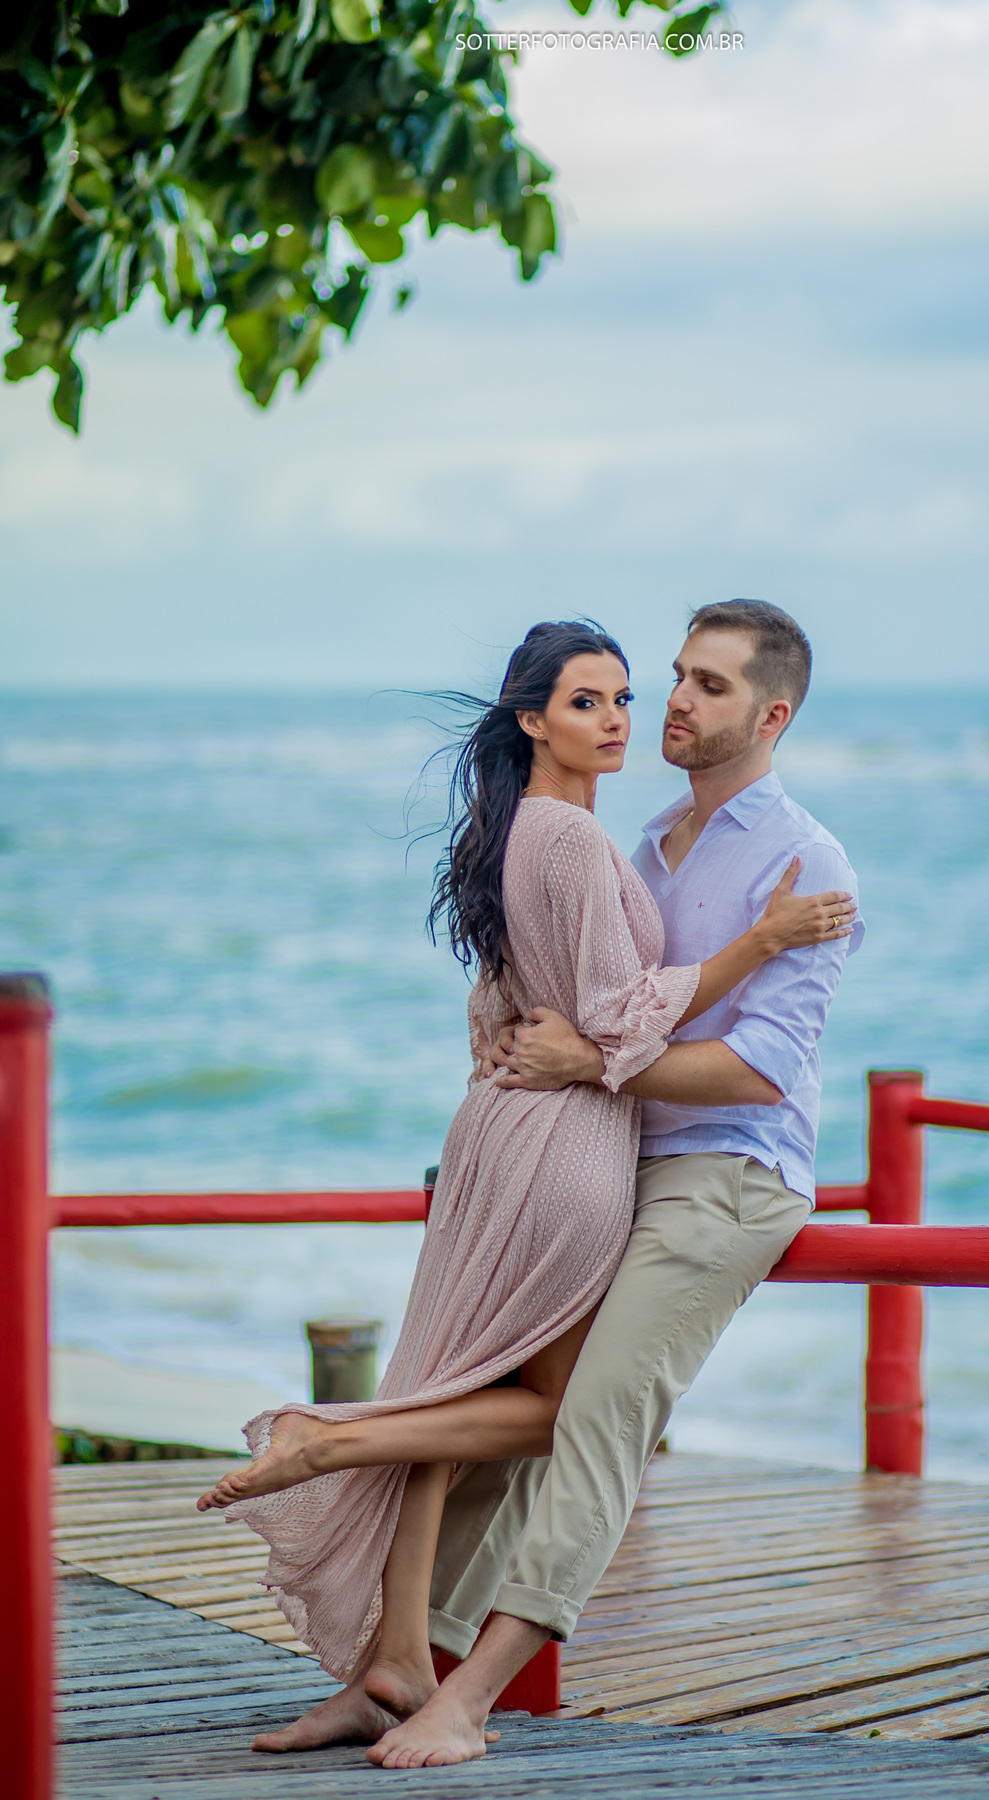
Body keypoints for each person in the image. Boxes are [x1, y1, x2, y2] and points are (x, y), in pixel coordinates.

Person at [194, 616, 853, 1754]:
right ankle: (405, 1648)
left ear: (772, 714)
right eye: (663, 682)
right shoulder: (632, 843)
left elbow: (751, 1071)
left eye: (698, 685)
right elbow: (572, 1007)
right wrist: (560, 1058)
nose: (666, 708)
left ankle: (438, 1672)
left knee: (562, 1414)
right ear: (534, 717)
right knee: (517, 1407)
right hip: (601, 1157)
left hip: (722, 1171)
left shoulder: (804, 863)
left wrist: (569, 1059)